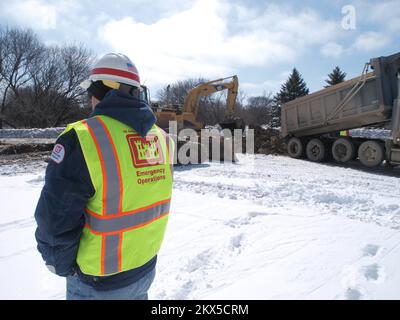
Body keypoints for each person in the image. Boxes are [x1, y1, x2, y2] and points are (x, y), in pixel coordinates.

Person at [34, 53, 174, 300]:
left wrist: (61, 265)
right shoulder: (162, 138)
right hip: (143, 271)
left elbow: (56, 220)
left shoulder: (83, 138)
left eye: (90, 91)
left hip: (98, 283)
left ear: (99, 90)